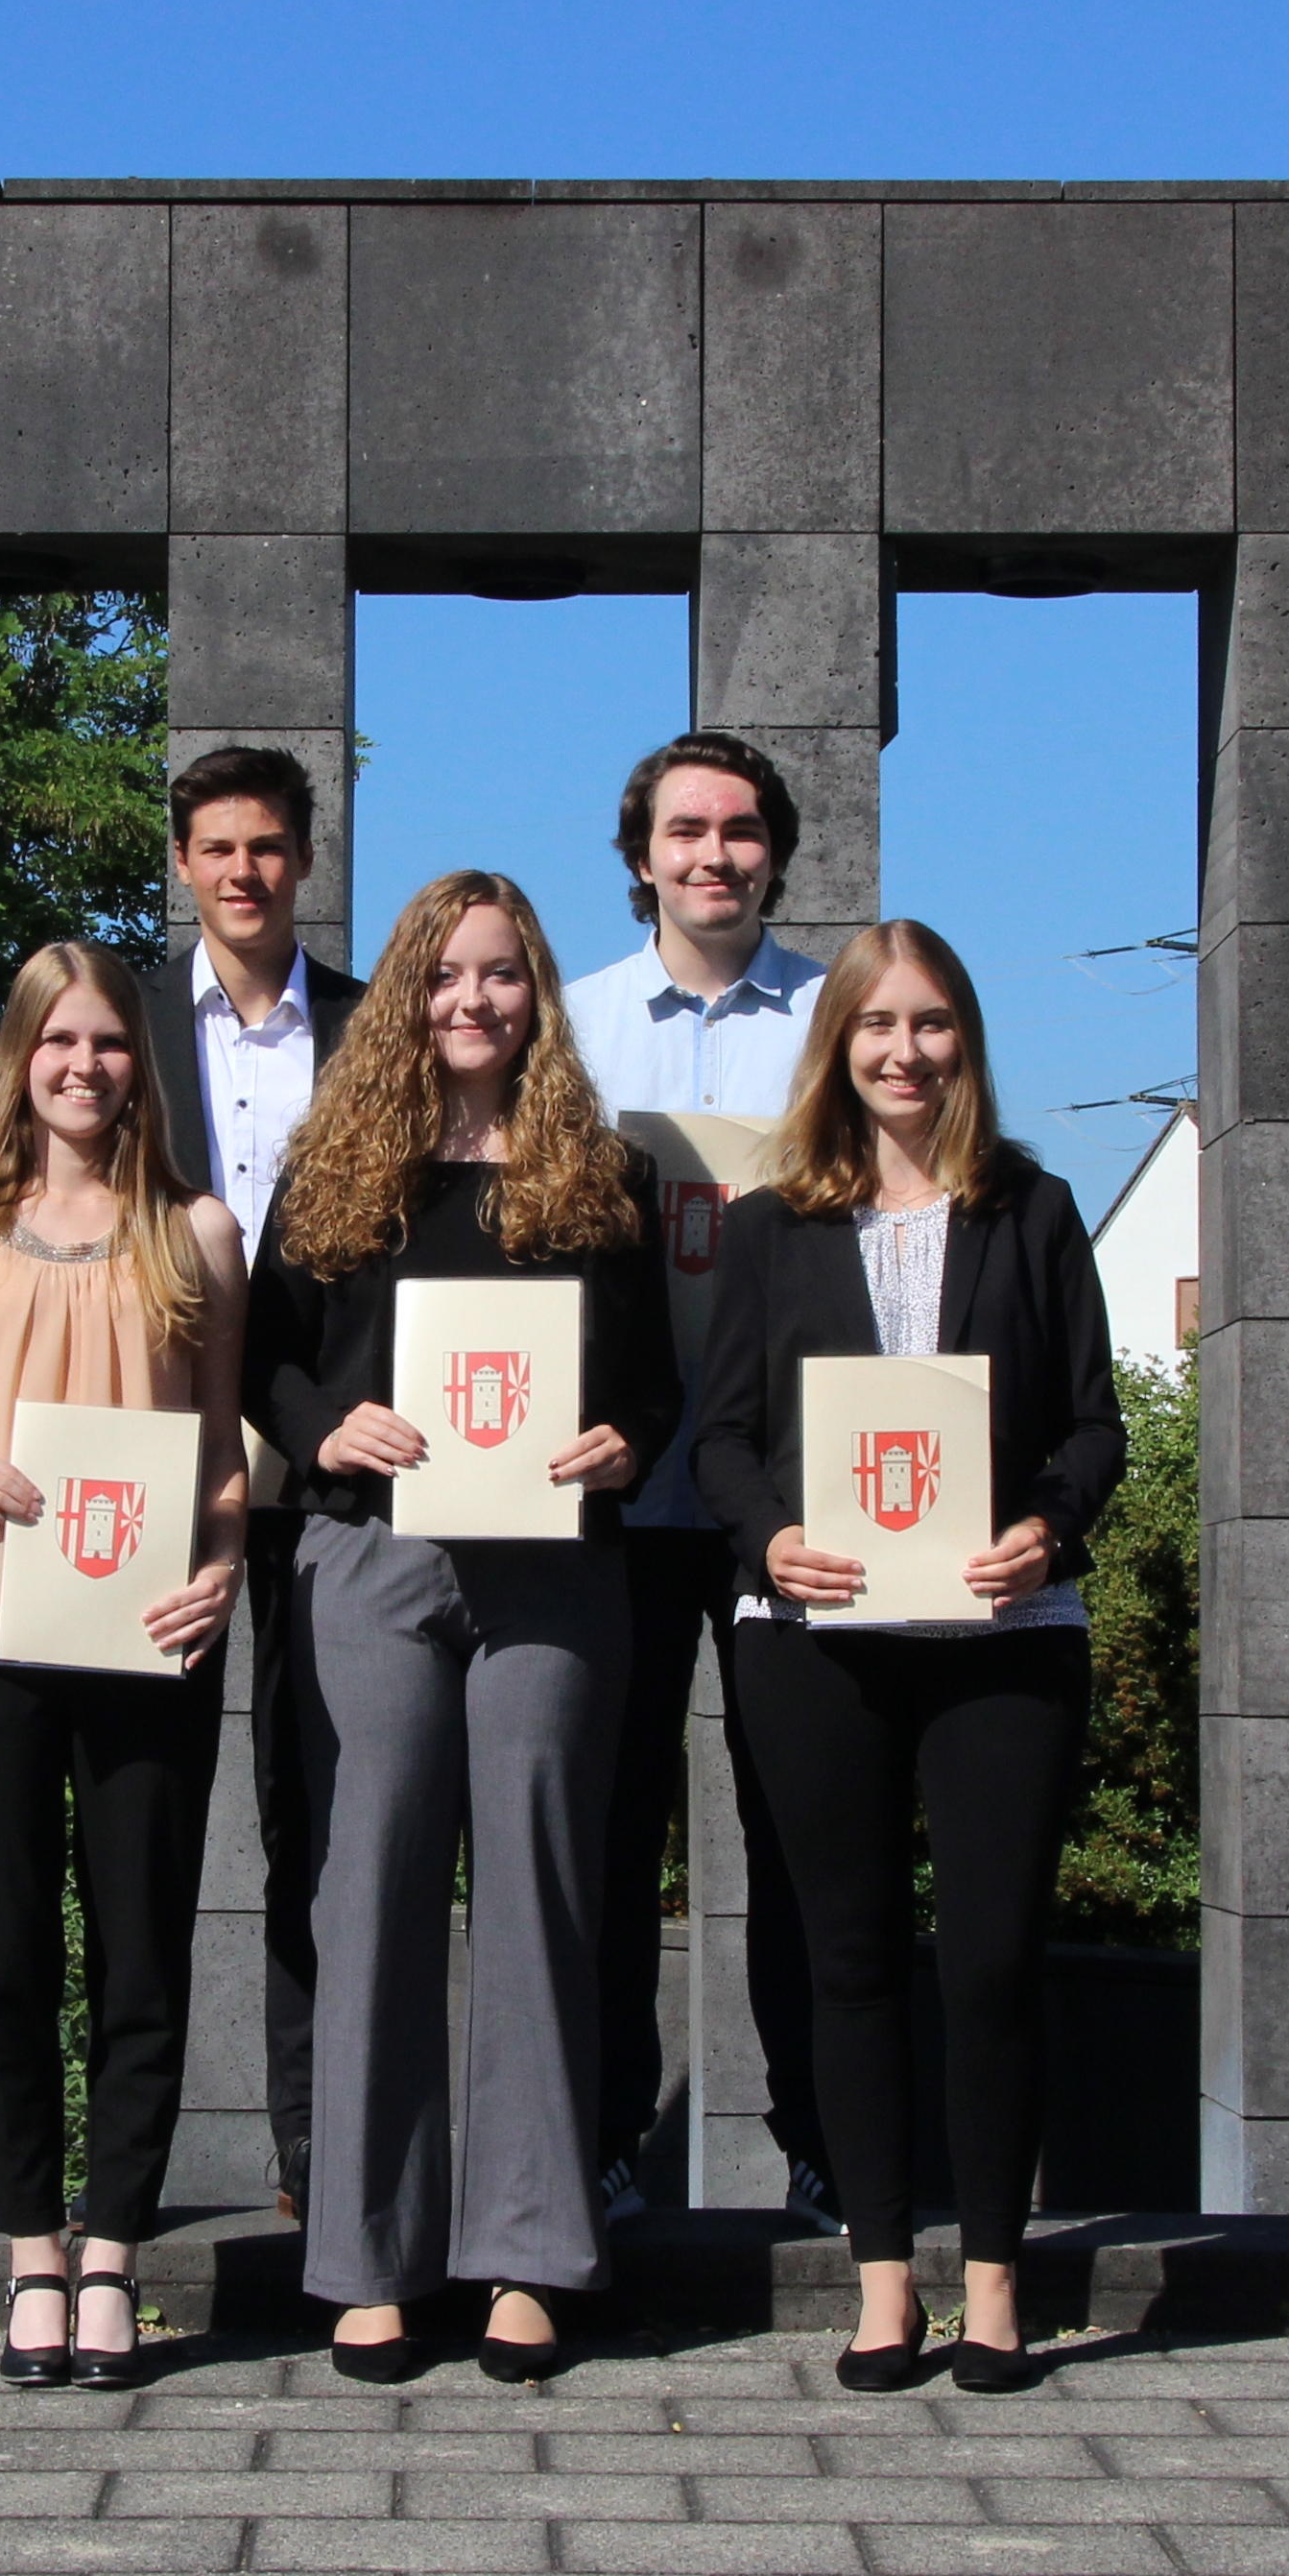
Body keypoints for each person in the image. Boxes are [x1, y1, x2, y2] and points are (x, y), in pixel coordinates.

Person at [245, 871, 679, 2385]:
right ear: (407, 999)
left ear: (535, 996)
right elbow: (267, 1364)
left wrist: (621, 1443)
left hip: (554, 1576)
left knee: (544, 1899)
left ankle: (527, 2258)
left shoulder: (601, 1175)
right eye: (443, 977)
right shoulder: (334, 1170)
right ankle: (367, 2257)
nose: (471, 1003)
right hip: (376, 1561)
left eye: (499, 977)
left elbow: (655, 1387)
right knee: (368, 1892)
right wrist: (328, 1429)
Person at [690, 920, 1127, 2395]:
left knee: (996, 1960)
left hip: (1002, 1635)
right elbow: (725, 1438)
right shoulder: (770, 1226)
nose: (904, 1050)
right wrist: (766, 1544)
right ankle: (885, 2284)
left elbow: (1093, 1428)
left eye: (932, 1023)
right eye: (877, 1025)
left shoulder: (1038, 1210)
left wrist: (1049, 1531)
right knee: (852, 1962)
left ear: (967, 1041)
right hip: (817, 1639)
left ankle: (996, 2283)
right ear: (839, 1048)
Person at [0, 944, 250, 2390]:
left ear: (142, 1062)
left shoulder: (197, 1234)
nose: (84, 1067)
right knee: (8, 1952)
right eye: (58, 1042)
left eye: (109, 1043)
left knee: (144, 1953)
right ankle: (31, 2245)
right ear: (19, 1056)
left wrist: (221, 1567)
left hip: (148, 1634)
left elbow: (223, 1455)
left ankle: (117, 2257)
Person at [557, 732, 835, 2233]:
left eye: (738, 830)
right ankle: (606, 2136)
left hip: (792, 1495)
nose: (713, 854)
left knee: (802, 1831)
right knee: (605, 1833)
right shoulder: (575, 1027)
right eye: (685, 831)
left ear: (774, 851)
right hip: (612, 1488)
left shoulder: (837, 1022)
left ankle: (820, 2139)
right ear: (641, 855)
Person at [138, 746, 351, 2227]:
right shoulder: (128, 1023)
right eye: (215, 847)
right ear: (182, 863)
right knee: (142, 1813)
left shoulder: (366, 1025)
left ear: (305, 859)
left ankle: (312, 2155)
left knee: (315, 1816)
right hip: (158, 1452)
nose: (241, 871)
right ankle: (117, 2179)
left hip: (335, 1455)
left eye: (267, 846)